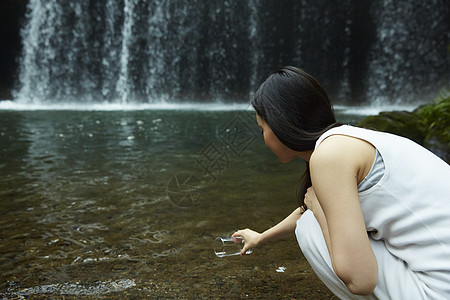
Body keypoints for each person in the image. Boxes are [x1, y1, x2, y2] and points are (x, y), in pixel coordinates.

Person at [232, 66, 450, 299]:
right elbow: (315, 205)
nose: (263, 138)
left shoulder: (329, 156)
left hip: (438, 290)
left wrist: (318, 212)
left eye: (261, 129)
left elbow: (361, 281)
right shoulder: (349, 141)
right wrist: (261, 237)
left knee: (310, 226)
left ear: (279, 123)